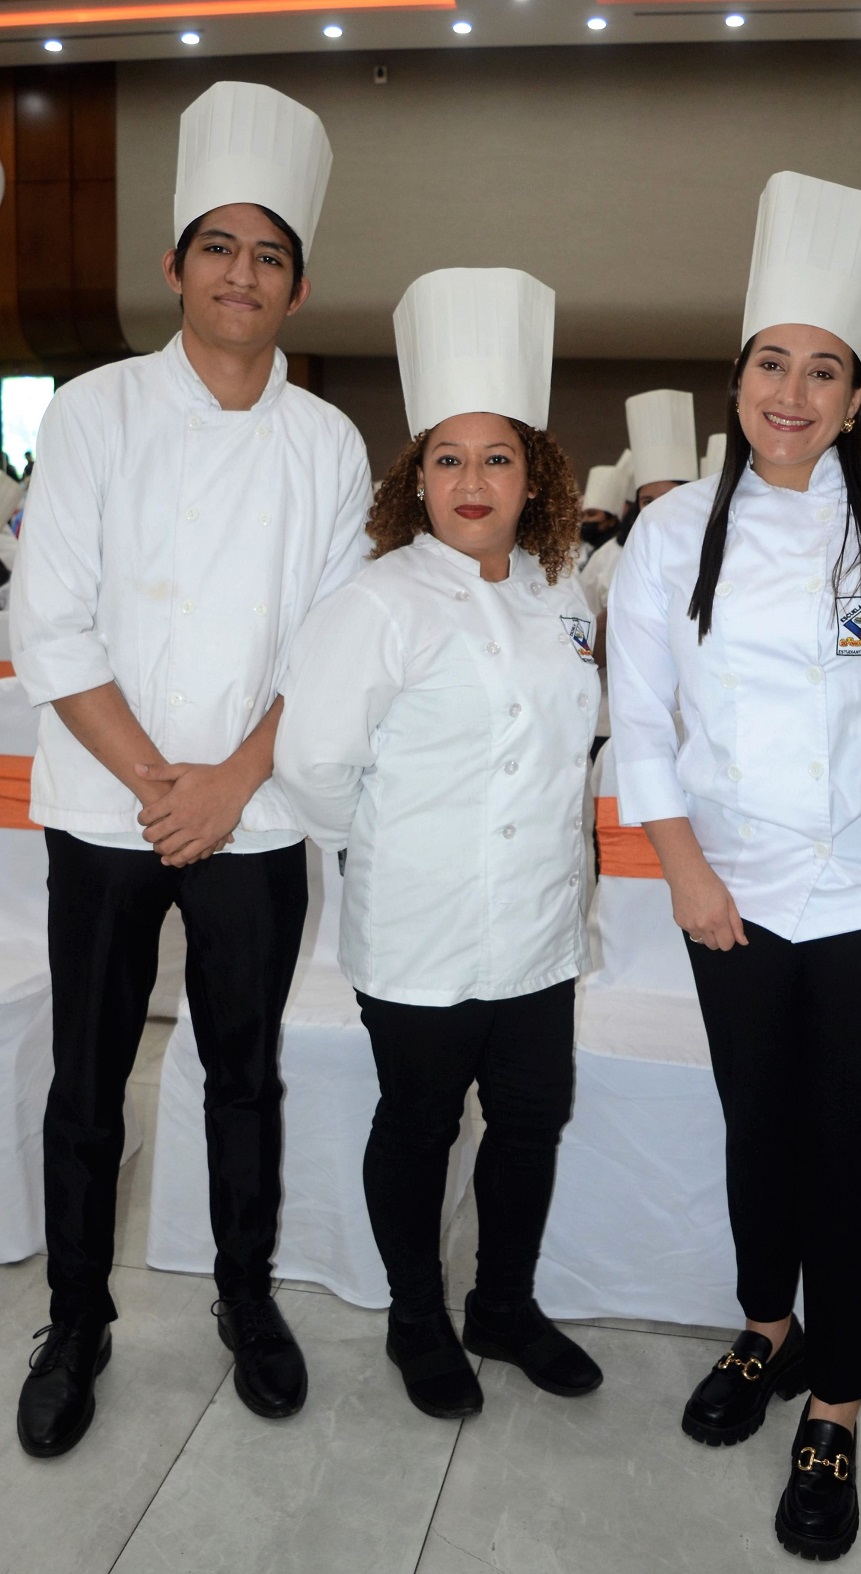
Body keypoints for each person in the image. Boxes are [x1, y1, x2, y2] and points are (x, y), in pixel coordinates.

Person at [607, 171, 861, 1562]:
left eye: (820, 368)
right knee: (754, 1129)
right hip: (731, 894)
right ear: (737, 381)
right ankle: (761, 1328)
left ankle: (831, 1398)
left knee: (849, 1151)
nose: (790, 389)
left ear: (853, 392)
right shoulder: (667, 534)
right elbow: (641, 714)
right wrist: (682, 867)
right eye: (769, 362)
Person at [10, 80, 371, 1457]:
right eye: (218, 245)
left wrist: (230, 784)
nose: (241, 272)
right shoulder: (96, 410)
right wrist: (168, 779)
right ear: (175, 266)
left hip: (258, 812)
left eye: (267, 254)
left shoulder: (326, 443)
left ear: (295, 287)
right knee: (86, 1081)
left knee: (244, 1075)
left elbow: (329, 644)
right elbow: (50, 620)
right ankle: (79, 1318)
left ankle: (243, 1295)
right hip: (110, 803)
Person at [275, 266, 604, 1423]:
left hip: (539, 927)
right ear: (416, 476)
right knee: (418, 1121)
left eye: (497, 456)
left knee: (529, 1117)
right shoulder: (374, 602)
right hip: (416, 923)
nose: (473, 480)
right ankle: (418, 1314)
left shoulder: (565, 593)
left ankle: (501, 1306)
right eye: (448, 457)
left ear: (535, 475)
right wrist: (385, 855)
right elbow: (313, 763)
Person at [581, 389, 698, 754]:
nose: (660, 511)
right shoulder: (613, 558)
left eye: (672, 497)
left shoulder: (721, 557)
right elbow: (580, 629)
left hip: (700, 723)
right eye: (649, 501)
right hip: (615, 717)